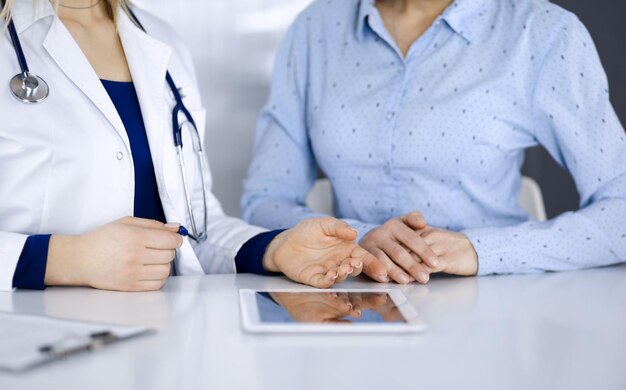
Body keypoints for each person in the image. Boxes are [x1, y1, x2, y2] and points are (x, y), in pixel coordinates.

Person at [0, 0, 390, 292]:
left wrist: (274, 249)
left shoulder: (159, 40)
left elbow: (197, 230)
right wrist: (65, 260)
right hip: (36, 338)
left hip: (165, 336)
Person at [241, 0, 626, 284]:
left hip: (495, 302)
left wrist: (479, 249)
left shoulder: (542, 33)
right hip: (351, 302)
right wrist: (358, 236)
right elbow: (263, 201)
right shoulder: (314, 29)